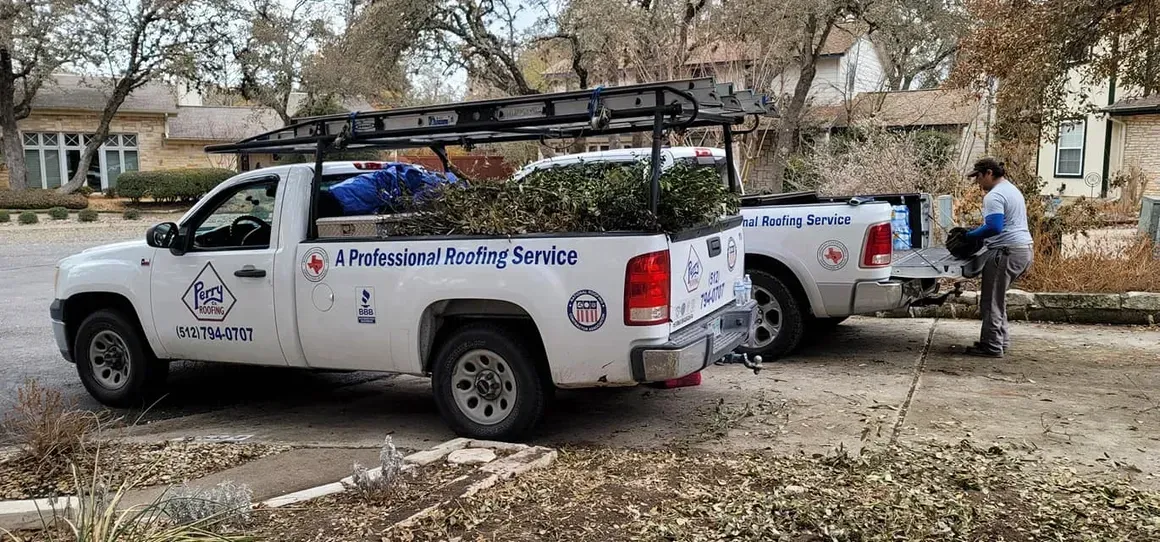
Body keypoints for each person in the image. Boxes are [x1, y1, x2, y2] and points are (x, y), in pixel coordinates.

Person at [962, 158, 1034, 358]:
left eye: (978, 177)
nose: (977, 182)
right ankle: (1000, 341)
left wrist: (970, 235)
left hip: (1006, 252)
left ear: (988, 173)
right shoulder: (1012, 189)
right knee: (998, 299)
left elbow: (994, 227)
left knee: (991, 300)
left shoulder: (994, 196)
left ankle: (992, 346)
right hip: (1023, 250)